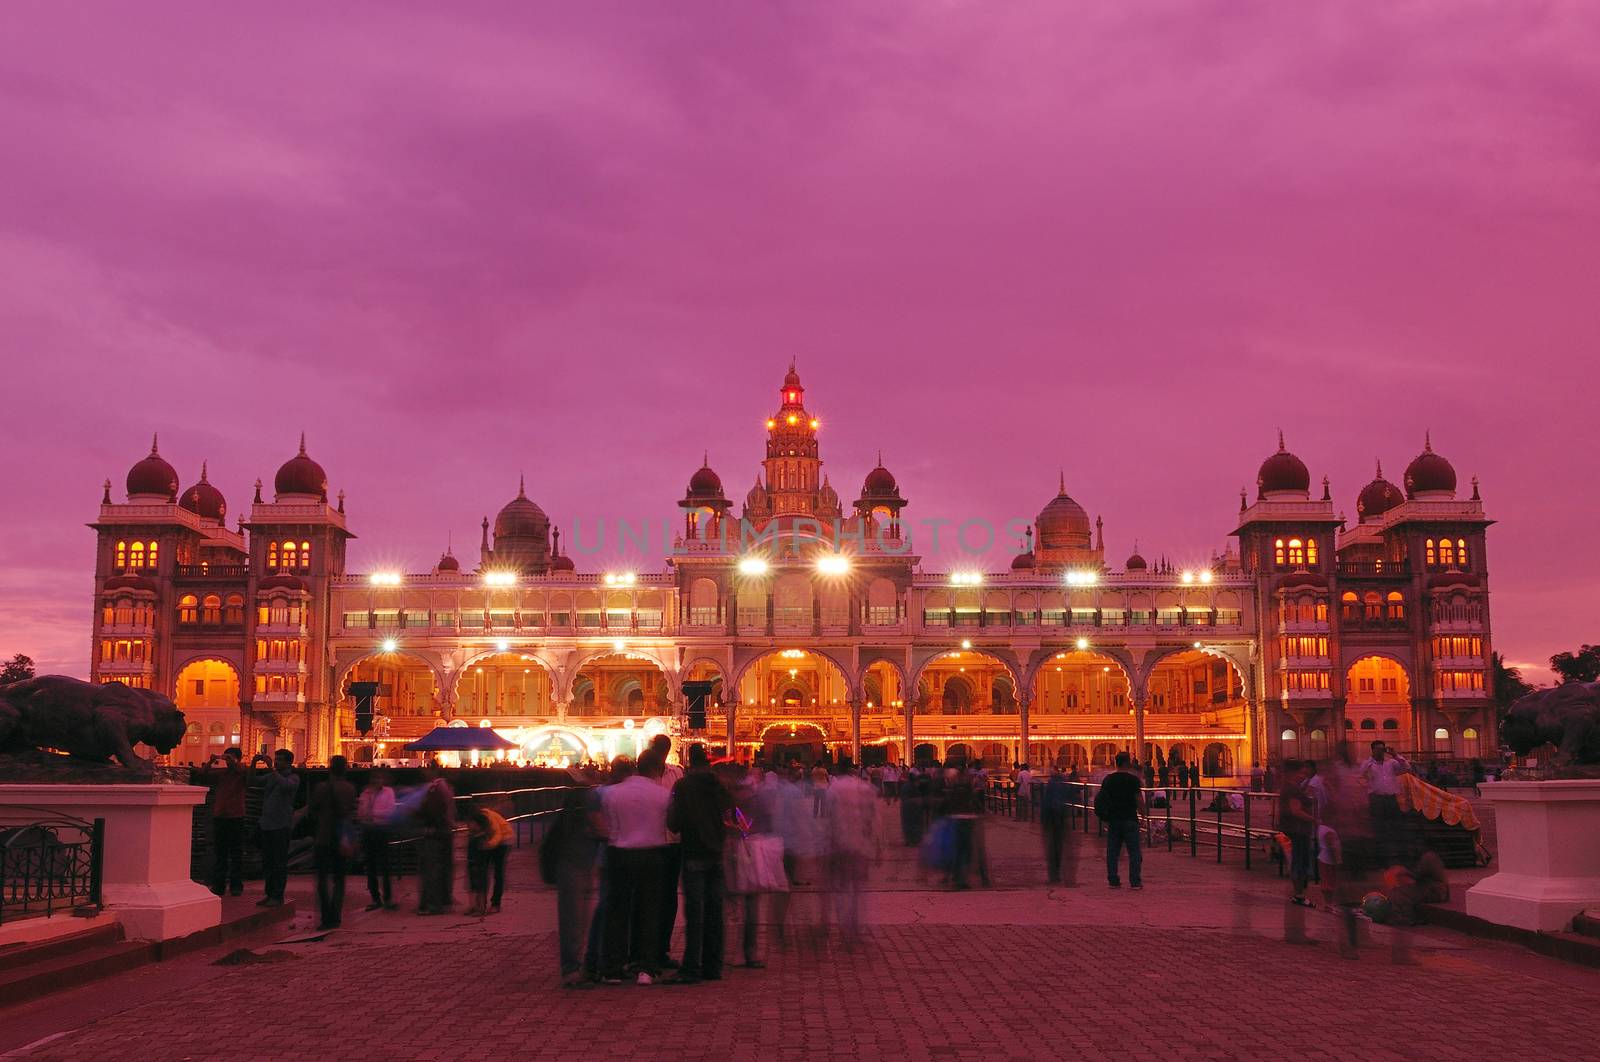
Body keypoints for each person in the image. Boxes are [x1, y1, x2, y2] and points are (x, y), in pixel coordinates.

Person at [600, 750, 673, 985]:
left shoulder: (612, 793)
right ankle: (646, 967)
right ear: (657, 769)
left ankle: (613, 966)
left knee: (617, 910)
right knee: (650, 911)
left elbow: (610, 826)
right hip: (652, 854)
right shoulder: (663, 795)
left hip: (619, 853)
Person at [665, 745, 731, 984]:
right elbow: (733, 815)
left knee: (695, 913)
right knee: (715, 912)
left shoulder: (683, 786)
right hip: (716, 852)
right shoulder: (720, 786)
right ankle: (714, 966)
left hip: (693, 851)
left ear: (689, 762)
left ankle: (691, 967)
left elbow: (673, 821)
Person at [543, 788, 603, 987]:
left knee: (576, 920)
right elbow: (601, 829)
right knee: (574, 920)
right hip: (574, 871)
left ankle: (573, 966)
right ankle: (571, 969)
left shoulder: (569, 826)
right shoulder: (581, 828)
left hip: (575, 870)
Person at [823, 763, 879, 948]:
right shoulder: (865, 788)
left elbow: (828, 819)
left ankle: (844, 929)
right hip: (860, 846)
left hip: (839, 845)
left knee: (842, 889)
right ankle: (855, 929)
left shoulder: (833, 789)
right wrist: (877, 847)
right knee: (857, 891)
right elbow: (873, 820)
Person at [309, 754, 357, 930]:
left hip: (323, 837)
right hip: (341, 839)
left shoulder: (322, 788)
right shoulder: (350, 789)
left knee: (322, 880)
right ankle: (336, 916)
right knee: (339, 879)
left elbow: (313, 810)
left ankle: (325, 917)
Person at [649, 734, 684, 971]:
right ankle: (650, 949)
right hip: (649, 842)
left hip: (671, 842)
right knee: (651, 897)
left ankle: (661, 949)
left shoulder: (677, 773)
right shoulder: (642, 774)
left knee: (668, 898)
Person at [252, 749, 298, 908]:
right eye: (275, 759)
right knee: (269, 862)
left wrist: (271, 769)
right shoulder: (273, 776)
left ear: (288, 762)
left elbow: (286, 787)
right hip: (267, 824)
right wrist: (253, 763)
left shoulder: (293, 777)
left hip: (281, 825)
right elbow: (253, 781)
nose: (277, 762)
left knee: (279, 863)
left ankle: (277, 895)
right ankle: (270, 893)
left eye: (279, 759)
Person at [1094, 752, 1145, 890]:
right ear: (1127, 763)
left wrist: (1104, 816)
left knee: (1113, 852)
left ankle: (1113, 880)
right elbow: (1139, 799)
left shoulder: (1109, 780)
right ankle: (1135, 881)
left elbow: (1102, 798)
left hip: (1114, 819)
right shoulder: (1133, 780)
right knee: (1134, 852)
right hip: (1129, 818)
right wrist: (1144, 815)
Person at [202, 747, 247, 897]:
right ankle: (219, 885)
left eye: (231, 758)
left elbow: (241, 770)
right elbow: (203, 775)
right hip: (221, 816)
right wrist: (211, 761)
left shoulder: (241, 771)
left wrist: (229, 759)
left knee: (236, 854)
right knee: (220, 853)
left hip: (236, 816)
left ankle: (236, 885)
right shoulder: (222, 774)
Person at [1359, 740, 1412, 865]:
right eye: (1377, 749)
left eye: (1382, 749)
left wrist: (1395, 754)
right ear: (1372, 750)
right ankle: (1380, 858)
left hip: (1390, 799)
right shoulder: (1368, 764)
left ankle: (1397, 857)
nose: (1380, 751)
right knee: (1378, 828)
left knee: (1395, 827)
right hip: (1376, 799)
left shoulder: (1392, 763)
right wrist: (1370, 761)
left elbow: (1407, 768)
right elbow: (1360, 773)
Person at [416, 761, 456, 915]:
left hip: (435, 832)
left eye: (427, 769)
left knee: (431, 869)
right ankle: (443, 901)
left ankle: (432, 903)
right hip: (444, 831)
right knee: (443, 867)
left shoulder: (434, 787)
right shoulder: (445, 787)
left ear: (433, 771)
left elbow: (433, 810)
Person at [357, 766, 398, 911]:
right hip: (369, 831)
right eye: (375, 778)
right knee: (371, 866)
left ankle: (387, 898)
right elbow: (361, 813)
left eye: (379, 778)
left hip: (381, 830)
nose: (377, 781)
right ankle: (375, 898)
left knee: (385, 865)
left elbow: (390, 811)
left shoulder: (388, 792)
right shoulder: (366, 793)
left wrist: (374, 814)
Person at [1277, 759, 1315, 907]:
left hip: (1292, 829)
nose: (1303, 776)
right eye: (1301, 772)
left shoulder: (1289, 787)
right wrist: (1315, 819)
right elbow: (1296, 810)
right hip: (1297, 829)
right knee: (1299, 862)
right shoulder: (1292, 789)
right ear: (1293, 773)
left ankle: (1299, 893)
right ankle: (1299, 894)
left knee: (1296, 861)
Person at [464, 804, 513, 916]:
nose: (469, 825)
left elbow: (498, 835)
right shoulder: (480, 823)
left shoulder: (490, 819)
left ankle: (495, 904)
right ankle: (480, 905)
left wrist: (488, 845)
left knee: (498, 872)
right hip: (491, 840)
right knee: (483, 873)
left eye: (471, 823)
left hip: (504, 841)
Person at [1041, 765, 1075, 885]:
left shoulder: (1051, 784)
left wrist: (1044, 819)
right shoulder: (1062, 784)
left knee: (1052, 847)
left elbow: (1047, 802)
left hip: (1052, 818)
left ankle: (1054, 875)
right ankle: (1060, 875)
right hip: (1060, 817)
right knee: (1059, 847)